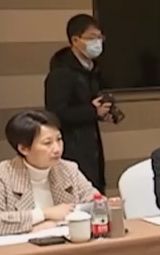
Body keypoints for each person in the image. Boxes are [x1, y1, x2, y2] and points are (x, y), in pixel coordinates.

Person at [0, 110, 98, 237]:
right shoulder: (2, 175)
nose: (57, 148)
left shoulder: (68, 169)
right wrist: (44, 214)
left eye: (59, 139)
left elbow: (97, 206)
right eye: (47, 143)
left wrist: (54, 224)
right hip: (23, 248)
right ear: (23, 149)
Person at [45, 13, 115, 191]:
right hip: (71, 147)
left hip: (91, 144)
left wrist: (101, 112)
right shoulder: (61, 73)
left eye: (100, 37)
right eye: (91, 37)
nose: (97, 42)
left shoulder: (91, 70)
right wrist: (92, 111)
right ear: (75, 40)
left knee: (95, 191)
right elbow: (55, 113)